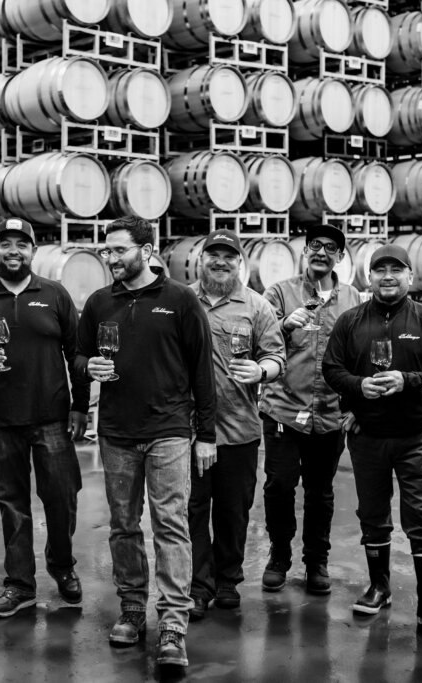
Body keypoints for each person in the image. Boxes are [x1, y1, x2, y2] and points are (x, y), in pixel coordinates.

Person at [74, 216, 217, 669]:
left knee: (171, 524)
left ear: (146, 250)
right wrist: (87, 368)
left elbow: (202, 371)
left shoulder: (179, 299)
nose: (111, 258)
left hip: (169, 430)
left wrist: (206, 434)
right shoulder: (99, 303)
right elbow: (79, 354)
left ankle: (173, 623)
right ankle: (133, 607)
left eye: (119, 250)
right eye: (107, 251)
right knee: (123, 525)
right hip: (116, 431)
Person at [0, 218, 90, 618]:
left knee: (62, 499)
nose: (14, 251)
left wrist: (80, 406)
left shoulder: (55, 294)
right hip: (0, 419)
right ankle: (20, 583)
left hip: (52, 417)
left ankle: (62, 567)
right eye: (6, 244)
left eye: (22, 244)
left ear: (33, 251)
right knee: (12, 504)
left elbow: (75, 354)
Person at [322, 244, 422, 631]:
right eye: (379, 269)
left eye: (396, 269)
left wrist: (406, 380)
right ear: (369, 277)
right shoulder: (350, 321)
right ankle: (379, 586)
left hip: (415, 436)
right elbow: (332, 369)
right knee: (373, 516)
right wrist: (358, 388)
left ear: (410, 276)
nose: (387, 276)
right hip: (367, 437)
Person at [185, 230, 285, 620]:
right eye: (214, 255)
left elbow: (277, 357)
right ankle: (198, 586)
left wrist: (261, 369)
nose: (221, 262)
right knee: (191, 511)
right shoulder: (181, 300)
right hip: (188, 431)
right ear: (201, 259)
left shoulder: (256, 306)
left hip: (240, 428)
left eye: (229, 256)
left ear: (240, 262)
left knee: (233, 511)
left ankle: (227, 579)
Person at [258, 223, 361, 595]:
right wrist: (285, 325)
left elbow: (360, 357)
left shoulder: (353, 299)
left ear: (340, 256)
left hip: (330, 412)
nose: (321, 251)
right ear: (305, 251)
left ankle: (316, 560)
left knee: (321, 492)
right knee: (279, 485)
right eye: (314, 245)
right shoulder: (279, 293)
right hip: (284, 409)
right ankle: (279, 554)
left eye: (330, 247)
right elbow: (260, 344)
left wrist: (356, 408)